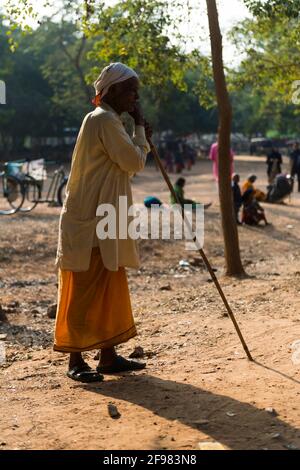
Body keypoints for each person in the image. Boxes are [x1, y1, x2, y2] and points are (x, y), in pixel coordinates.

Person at [54, 62, 152, 382]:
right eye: (130, 90)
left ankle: (108, 356)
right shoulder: (105, 120)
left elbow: (124, 163)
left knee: (109, 285)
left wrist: (137, 132)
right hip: (92, 219)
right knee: (83, 290)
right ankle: (74, 360)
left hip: (104, 218)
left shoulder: (106, 121)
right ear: (111, 91)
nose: (135, 97)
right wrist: (140, 130)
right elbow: (133, 162)